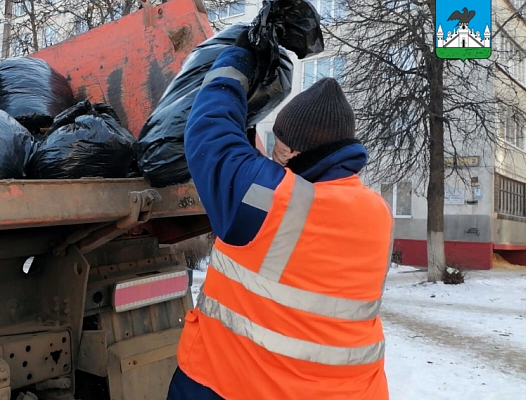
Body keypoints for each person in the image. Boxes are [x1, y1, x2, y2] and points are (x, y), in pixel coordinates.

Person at [166, 32, 393, 400]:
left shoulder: (274, 199)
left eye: (277, 147)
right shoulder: (376, 211)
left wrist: (235, 64)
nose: (271, 157)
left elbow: (210, 134)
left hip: (237, 386)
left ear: (294, 152)